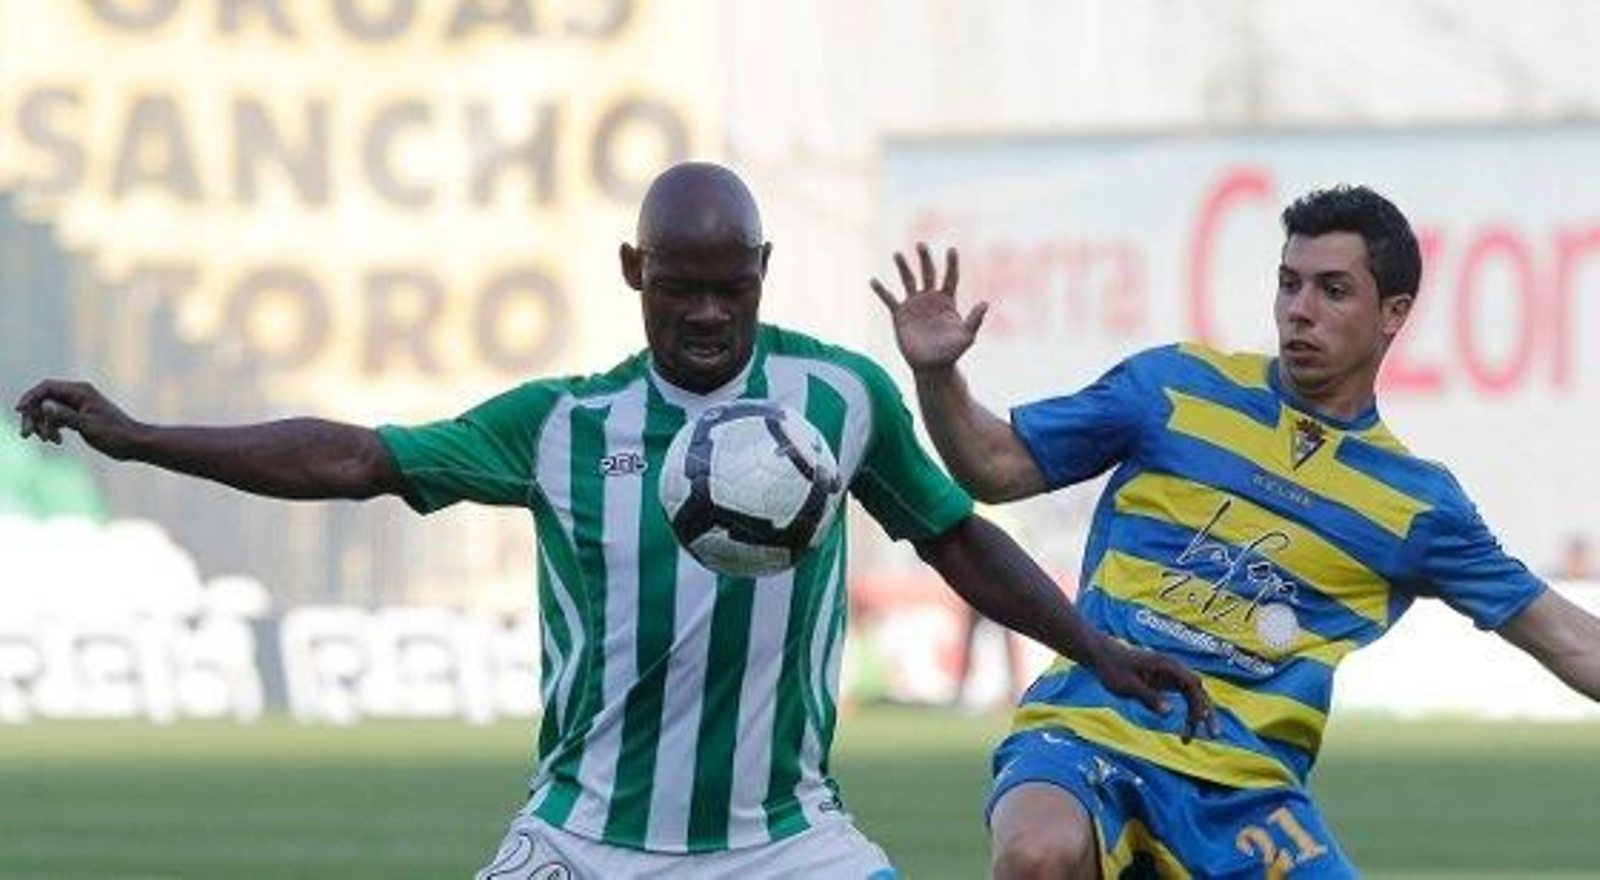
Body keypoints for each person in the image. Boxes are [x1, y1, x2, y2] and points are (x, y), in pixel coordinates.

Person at [15, 162, 1211, 879]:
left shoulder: (840, 398)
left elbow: (956, 536)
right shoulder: (562, 424)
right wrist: (143, 434)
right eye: (679, 285)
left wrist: (1098, 650)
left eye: (729, 287)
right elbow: (356, 458)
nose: (704, 312)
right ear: (633, 269)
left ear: (764, 268)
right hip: (584, 834)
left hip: (785, 837)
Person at [872, 184, 1600, 878]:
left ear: (1393, 312)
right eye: (1290, 283)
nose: (1300, 310)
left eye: (1333, 289)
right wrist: (939, 379)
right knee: (1036, 851)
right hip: (1090, 725)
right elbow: (995, 467)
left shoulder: (1416, 505)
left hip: (1244, 788)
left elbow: (1568, 638)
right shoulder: (1172, 388)